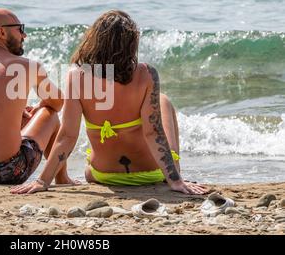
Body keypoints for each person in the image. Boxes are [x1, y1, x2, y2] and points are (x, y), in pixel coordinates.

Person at [11, 10, 209, 195]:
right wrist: (175, 181)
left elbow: (67, 136)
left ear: (94, 41)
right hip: (153, 172)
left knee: (89, 168)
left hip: (103, 175)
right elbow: (152, 132)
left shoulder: (77, 76)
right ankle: (175, 174)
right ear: (131, 44)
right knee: (164, 101)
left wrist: (43, 182)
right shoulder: (146, 74)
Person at [0, 8, 75, 185]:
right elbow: (57, 102)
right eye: (20, 29)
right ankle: (62, 177)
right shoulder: (27, 66)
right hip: (8, 170)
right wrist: (39, 108)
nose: (24, 35)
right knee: (49, 113)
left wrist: (16, 112)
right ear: (2, 32)